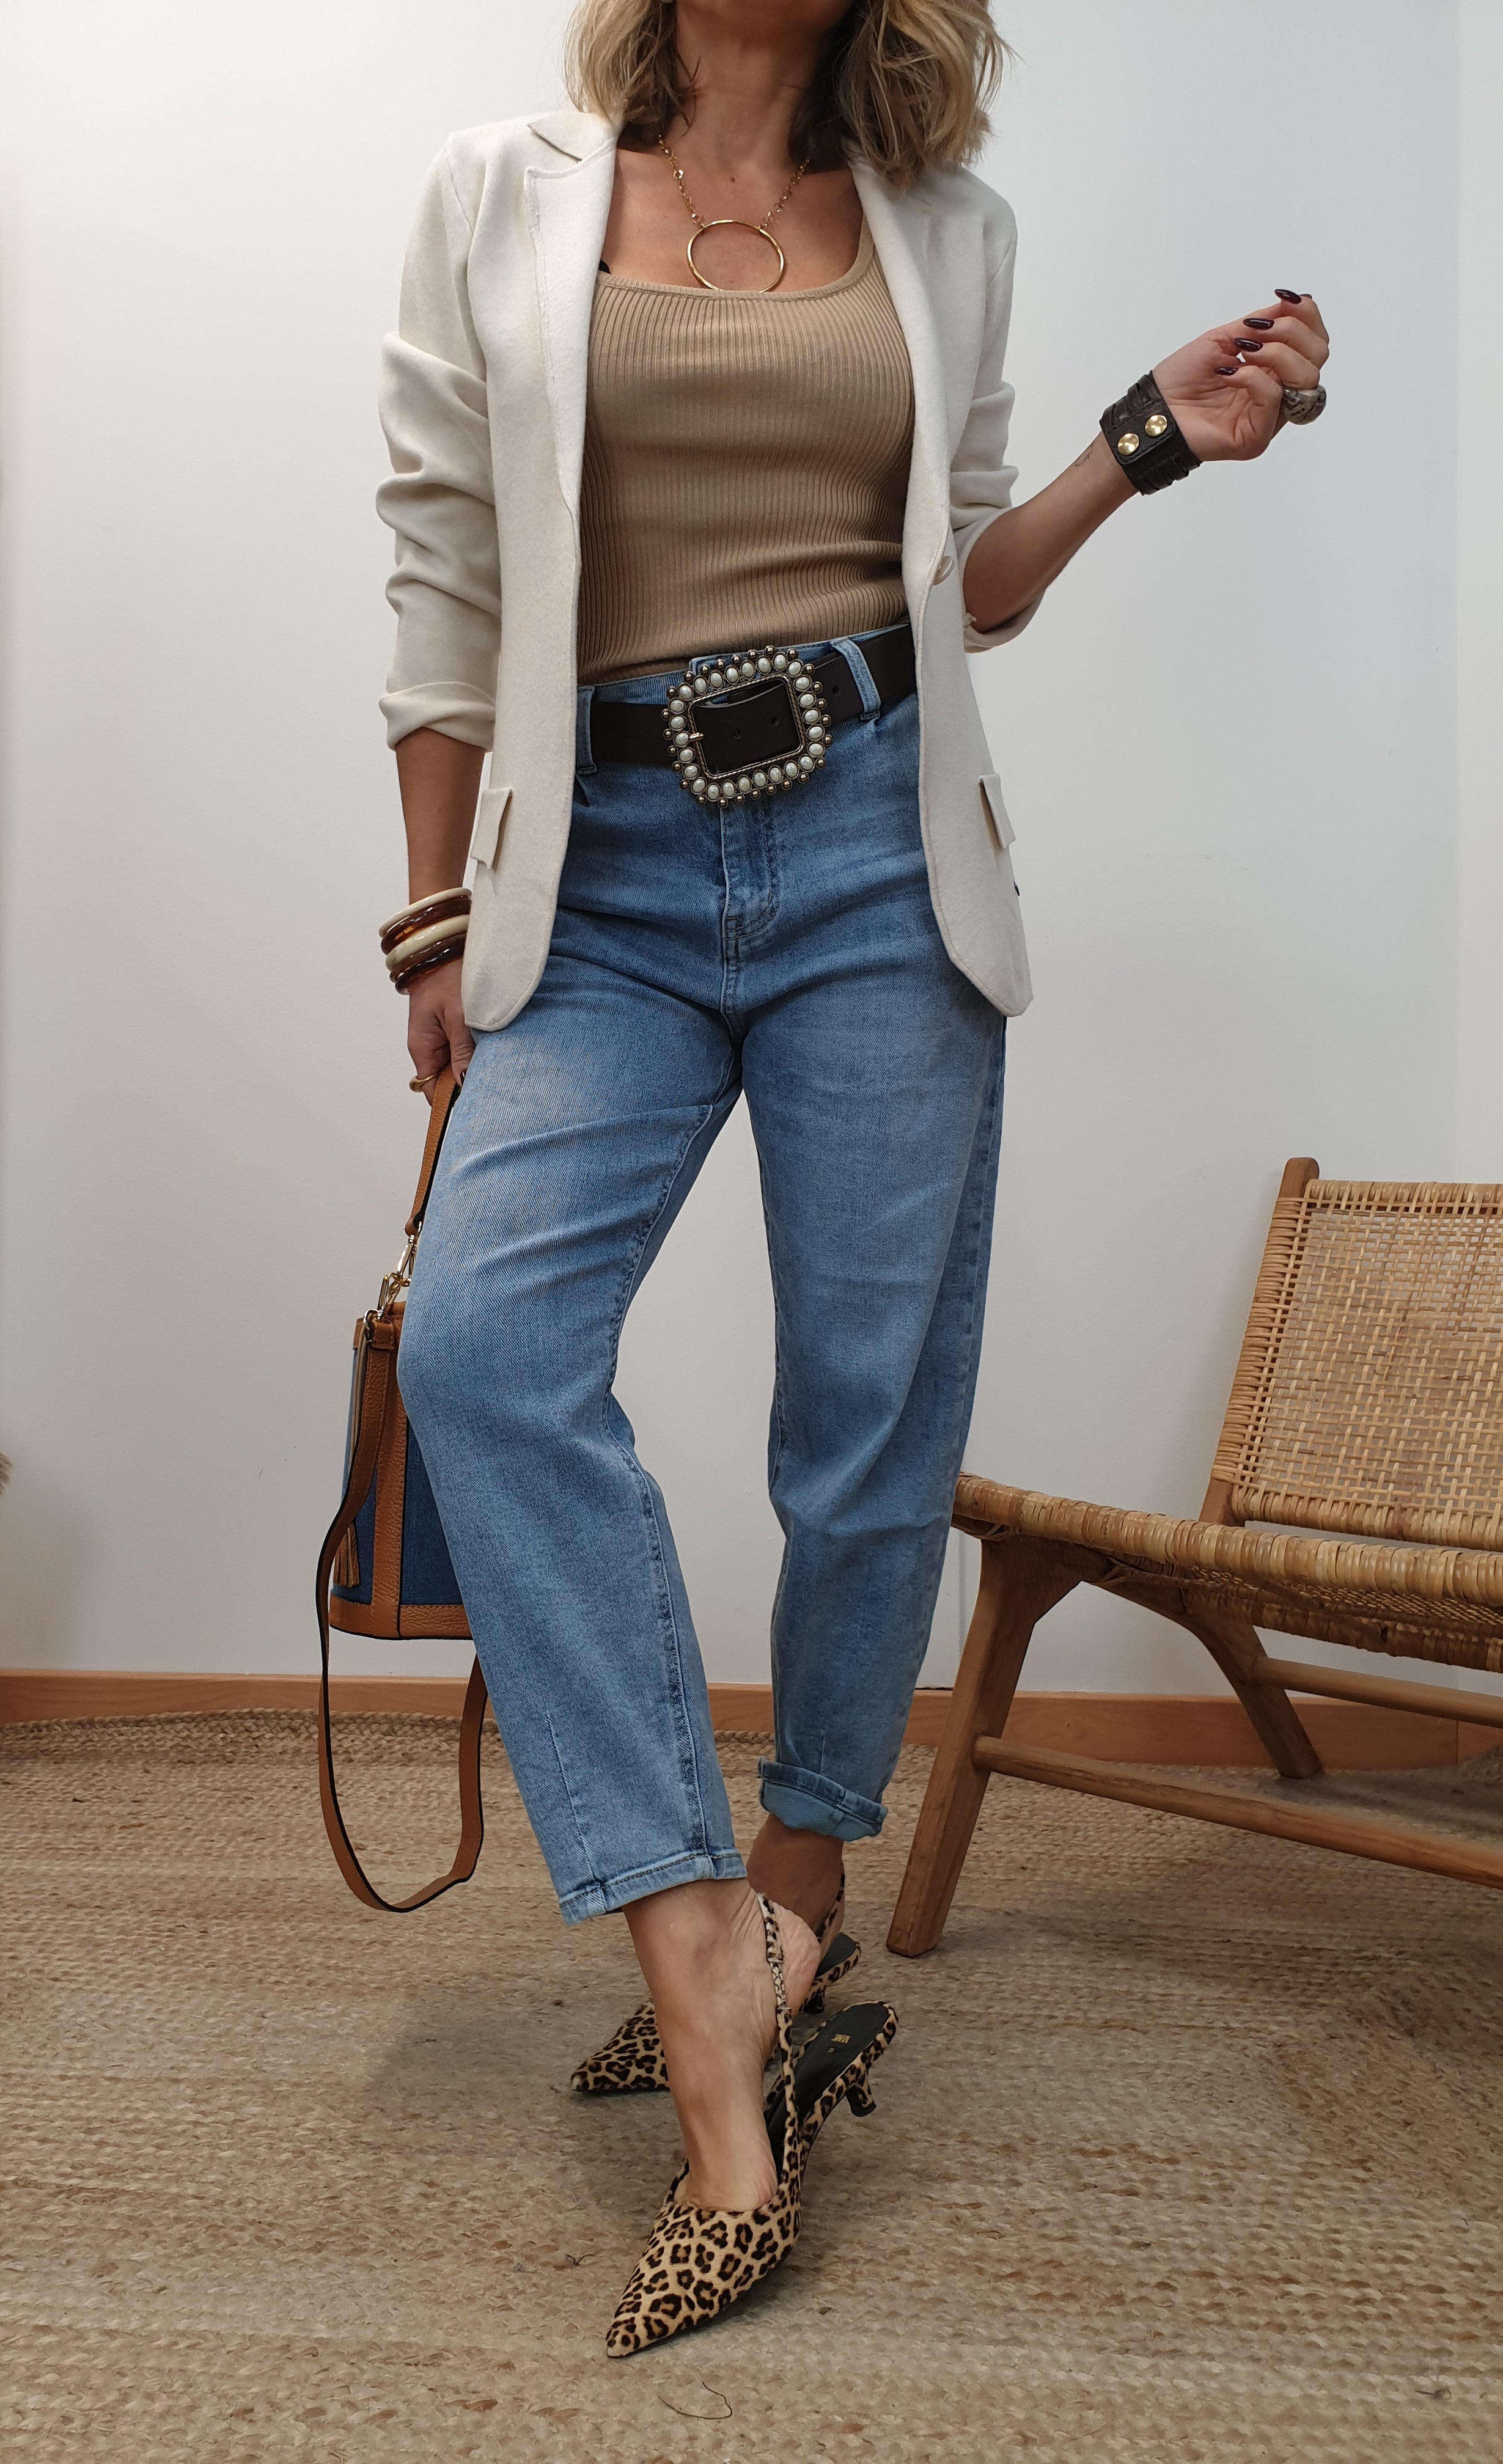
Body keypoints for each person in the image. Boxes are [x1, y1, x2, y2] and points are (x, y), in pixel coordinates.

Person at [373, 0, 1328, 2354]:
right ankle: (697, 1953)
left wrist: (1149, 444)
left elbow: (961, 581)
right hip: (593, 872)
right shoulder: (502, 191)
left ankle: (791, 1907)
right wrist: (430, 920)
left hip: (877, 859)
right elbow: (443, 565)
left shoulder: (944, 226)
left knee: (870, 1416)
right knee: (487, 1350)